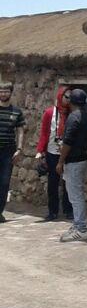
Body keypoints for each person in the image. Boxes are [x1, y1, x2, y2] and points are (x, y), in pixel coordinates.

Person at [57, 88, 87, 242]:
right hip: (82, 158)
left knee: (75, 195)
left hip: (73, 161)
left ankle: (81, 228)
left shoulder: (74, 117)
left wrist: (60, 161)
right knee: (75, 194)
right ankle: (78, 224)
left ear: (71, 102)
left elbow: (68, 142)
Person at [34, 86, 74, 222]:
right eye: (66, 97)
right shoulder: (49, 113)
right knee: (52, 183)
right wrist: (40, 151)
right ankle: (53, 211)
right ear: (60, 96)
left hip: (68, 153)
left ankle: (68, 210)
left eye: (70, 98)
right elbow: (44, 133)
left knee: (68, 182)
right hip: (52, 152)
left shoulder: (72, 114)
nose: (67, 100)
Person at [0, 80, 26, 223]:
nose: (3, 94)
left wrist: (19, 149)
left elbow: (20, 131)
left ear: (10, 92)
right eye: (1, 91)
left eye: (6, 91)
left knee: (4, 183)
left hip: (8, 152)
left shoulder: (16, 112)